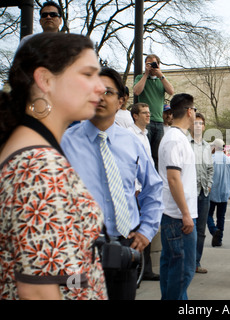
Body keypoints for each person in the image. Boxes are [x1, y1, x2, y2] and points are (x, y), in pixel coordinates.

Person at [0, 32, 107, 300]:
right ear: (45, 80)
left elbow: (65, 273)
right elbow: (38, 290)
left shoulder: (29, 151)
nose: (101, 87)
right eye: (87, 74)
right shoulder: (38, 166)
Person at [61, 67, 164, 300]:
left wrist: (146, 231)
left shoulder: (133, 142)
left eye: (107, 92)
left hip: (125, 248)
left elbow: (154, 188)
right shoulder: (66, 142)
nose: (99, 97)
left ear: (121, 101)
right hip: (77, 253)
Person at [158, 93, 197, 300]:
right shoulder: (175, 139)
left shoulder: (177, 138)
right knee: (183, 270)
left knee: (171, 267)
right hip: (178, 216)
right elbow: (173, 179)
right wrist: (186, 213)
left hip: (175, 214)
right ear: (190, 111)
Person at [128, 102, 160, 281]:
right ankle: (138, 269)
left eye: (149, 112)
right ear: (135, 115)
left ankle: (145, 270)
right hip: (137, 191)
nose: (148, 115)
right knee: (136, 231)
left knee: (145, 231)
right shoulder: (130, 135)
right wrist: (136, 188)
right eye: (144, 113)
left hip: (146, 189)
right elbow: (131, 163)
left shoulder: (145, 135)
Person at [133, 54, 175, 169]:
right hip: (146, 122)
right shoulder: (140, 78)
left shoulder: (161, 80)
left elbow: (171, 91)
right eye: (148, 64)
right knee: (144, 153)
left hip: (159, 122)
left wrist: (159, 73)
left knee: (157, 156)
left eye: (154, 64)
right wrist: (146, 74)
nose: (151, 66)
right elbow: (136, 91)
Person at [189, 112, 214, 274]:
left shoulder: (206, 146)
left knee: (201, 230)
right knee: (188, 229)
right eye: (195, 123)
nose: (198, 126)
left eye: (201, 123)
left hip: (204, 192)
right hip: (189, 192)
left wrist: (209, 184)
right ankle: (187, 261)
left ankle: (196, 262)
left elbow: (210, 168)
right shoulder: (185, 143)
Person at [208, 138, 230, 247]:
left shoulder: (211, 159)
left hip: (212, 191)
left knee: (207, 215)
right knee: (221, 216)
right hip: (224, 192)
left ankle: (214, 231)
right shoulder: (228, 160)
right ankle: (219, 239)